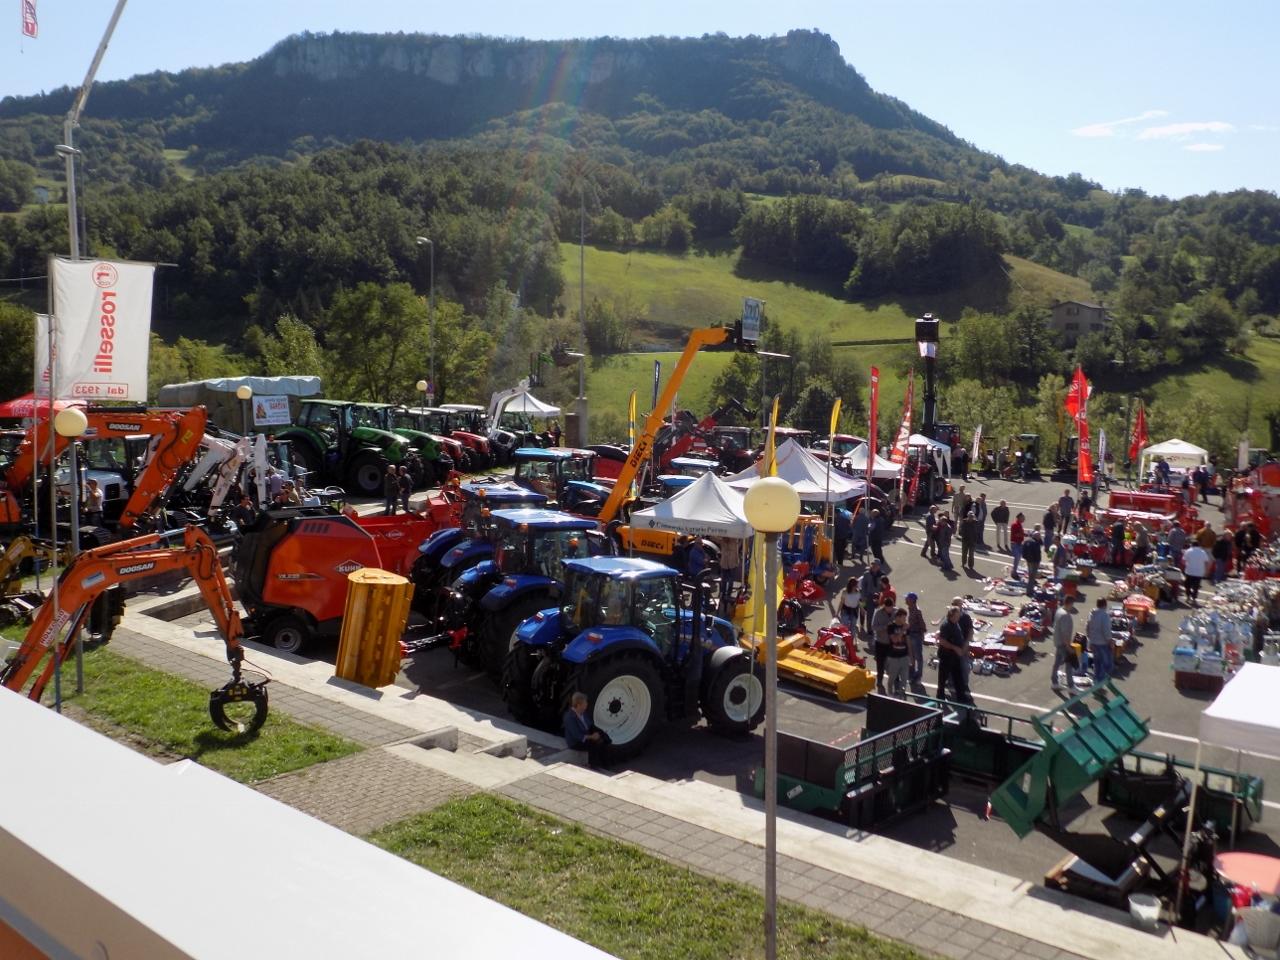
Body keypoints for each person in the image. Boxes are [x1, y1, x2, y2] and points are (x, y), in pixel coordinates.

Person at [563, 692, 611, 768]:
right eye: (585, 704)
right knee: (595, 744)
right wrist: (592, 736)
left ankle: (605, 763)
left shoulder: (583, 713)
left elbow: (589, 724)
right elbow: (577, 735)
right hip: (576, 742)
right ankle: (593, 765)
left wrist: (599, 732)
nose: (586, 705)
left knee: (605, 738)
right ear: (578, 705)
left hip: (586, 734)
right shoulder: (569, 717)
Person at [935, 606, 969, 702]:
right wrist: (955, 648)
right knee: (943, 678)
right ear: (952, 616)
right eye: (957, 615)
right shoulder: (946, 625)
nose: (959, 616)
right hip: (947, 656)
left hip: (955, 656)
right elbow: (942, 641)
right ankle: (940, 696)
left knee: (958, 676)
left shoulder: (955, 623)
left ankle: (961, 697)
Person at [1051, 593, 1078, 692]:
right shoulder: (1066, 615)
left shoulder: (1059, 611)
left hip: (1057, 641)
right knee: (1069, 664)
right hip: (1063, 644)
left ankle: (1054, 682)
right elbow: (1065, 634)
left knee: (1057, 663)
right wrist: (1069, 647)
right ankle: (1071, 686)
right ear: (1070, 603)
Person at [883, 608, 911, 696]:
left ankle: (902, 696)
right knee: (892, 678)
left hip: (904, 657)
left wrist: (911, 657)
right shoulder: (891, 626)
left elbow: (908, 642)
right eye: (903, 618)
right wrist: (903, 630)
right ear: (898, 617)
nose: (905, 620)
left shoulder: (906, 628)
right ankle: (890, 694)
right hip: (893, 657)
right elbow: (895, 640)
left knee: (904, 679)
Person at [871, 594, 895, 693]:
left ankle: (894, 681)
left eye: (891, 607)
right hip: (880, 642)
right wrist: (885, 627)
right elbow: (873, 627)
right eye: (888, 608)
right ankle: (879, 681)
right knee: (880, 664)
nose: (890, 610)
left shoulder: (896, 612)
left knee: (893, 663)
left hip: (892, 642)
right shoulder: (878, 613)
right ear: (885, 606)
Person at [1085, 597, 1112, 683]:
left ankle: (1096, 679)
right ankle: (1100, 680)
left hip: (1093, 642)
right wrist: (1109, 641)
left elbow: (1087, 627)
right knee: (1107, 663)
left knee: (1097, 662)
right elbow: (1106, 630)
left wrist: (1089, 638)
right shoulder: (1105, 615)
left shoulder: (1092, 614)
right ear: (1105, 605)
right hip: (1102, 643)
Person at [905, 592, 927, 683]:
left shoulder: (917, 611)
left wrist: (922, 635)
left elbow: (922, 624)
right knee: (912, 655)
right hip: (911, 634)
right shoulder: (910, 608)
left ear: (912, 600)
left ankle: (919, 674)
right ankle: (912, 672)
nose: (905, 600)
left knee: (918, 656)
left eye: (907, 598)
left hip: (916, 635)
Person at [1183, 539, 1210, 606]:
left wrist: (1186, 565)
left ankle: (1188, 596)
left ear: (1192, 545)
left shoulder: (1188, 551)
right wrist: (1206, 571)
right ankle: (1194, 598)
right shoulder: (1202, 552)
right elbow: (1206, 562)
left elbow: (1183, 560)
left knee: (1187, 585)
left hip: (1189, 571)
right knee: (1196, 586)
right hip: (1199, 572)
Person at [857, 560, 881, 636]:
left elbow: (880, 587)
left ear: (878, 566)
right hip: (864, 597)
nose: (873, 566)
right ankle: (861, 625)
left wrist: (878, 597)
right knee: (862, 612)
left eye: (875, 565)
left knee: (870, 614)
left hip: (873, 598)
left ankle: (869, 629)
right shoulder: (866, 574)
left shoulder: (880, 575)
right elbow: (863, 586)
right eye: (872, 564)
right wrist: (863, 597)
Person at [1022, 528, 1043, 595]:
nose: (1040, 537)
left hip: (1028, 561)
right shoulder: (1036, 543)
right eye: (1039, 536)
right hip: (1035, 562)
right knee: (1032, 577)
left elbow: (1023, 552)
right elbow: (1037, 553)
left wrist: (1026, 558)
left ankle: (1029, 589)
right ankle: (1029, 591)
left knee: (1030, 575)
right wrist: (1038, 561)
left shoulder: (1026, 541)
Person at [1009, 512, 1025, 577]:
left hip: (1019, 543)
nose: (1024, 519)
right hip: (1015, 544)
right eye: (1023, 517)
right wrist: (1023, 534)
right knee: (1017, 558)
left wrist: (1025, 534)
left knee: (1018, 558)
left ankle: (1015, 571)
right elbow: (1016, 534)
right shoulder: (1015, 525)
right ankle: (1014, 572)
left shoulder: (1019, 524)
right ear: (1019, 518)